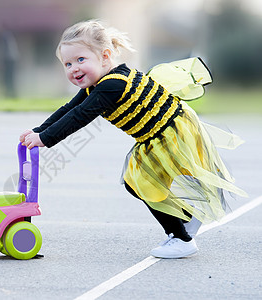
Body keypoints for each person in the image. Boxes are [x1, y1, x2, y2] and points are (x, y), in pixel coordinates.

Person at [19, 20, 247, 259]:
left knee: (142, 184)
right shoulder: (99, 84)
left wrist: (46, 138)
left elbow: (80, 116)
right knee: (140, 183)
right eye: (67, 63)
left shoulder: (112, 85)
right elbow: (69, 108)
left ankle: (182, 238)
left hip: (168, 133)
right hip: (159, 134)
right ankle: (184, 220)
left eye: (80, 60)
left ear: (105, 56)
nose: (73, 68)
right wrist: (39, 130)